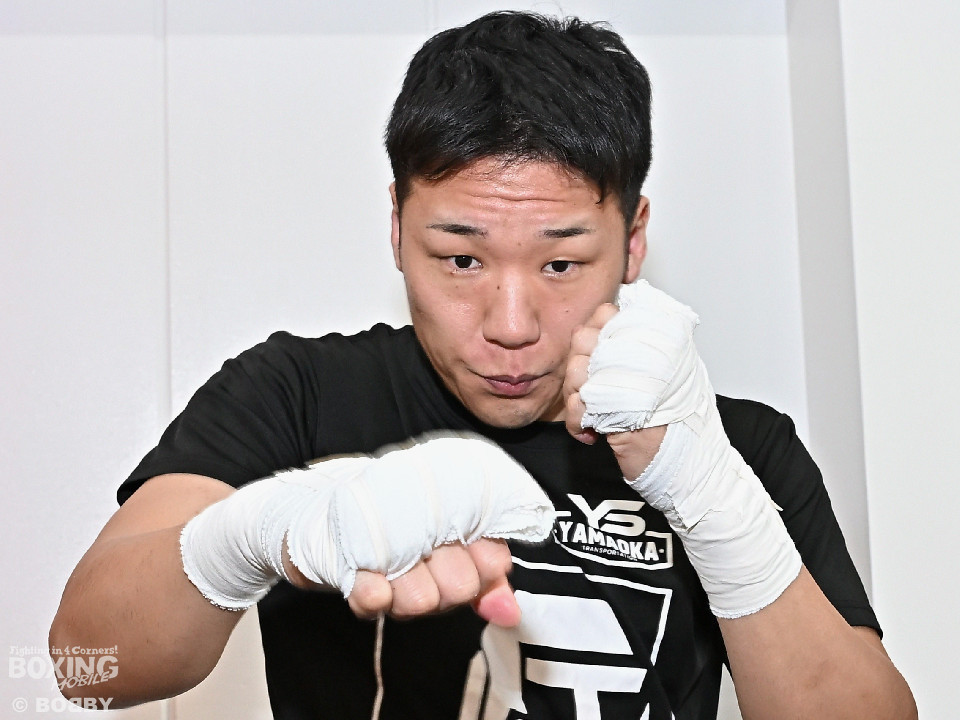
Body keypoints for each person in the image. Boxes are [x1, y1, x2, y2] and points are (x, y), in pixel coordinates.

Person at [50, 11, 916, 719]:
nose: (510, 326)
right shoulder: (299, 395)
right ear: (398, 226)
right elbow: (85, 668)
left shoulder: (743, 449)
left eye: (561, 263)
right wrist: (254, 535)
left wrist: (713, 496)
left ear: (634, 239)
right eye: (461, 260)